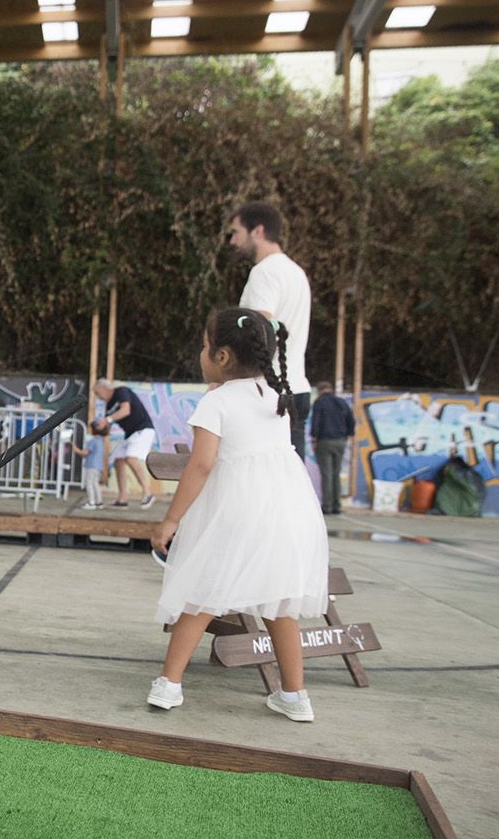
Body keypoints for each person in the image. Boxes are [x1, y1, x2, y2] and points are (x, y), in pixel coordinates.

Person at [148, 308, 328, 722]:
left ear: (223, 357)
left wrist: (172, 519)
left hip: (238, 511)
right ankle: (294, 696)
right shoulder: (274, 396)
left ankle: (168, 685)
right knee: (280, 606)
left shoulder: (218, 401)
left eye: (206, 345)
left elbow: (201, 465)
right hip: (287, 511)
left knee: (201, 594)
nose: (202, 351)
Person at [230, 201, 313, 460]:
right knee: (290, 481)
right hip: (296, 387)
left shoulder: (264, 273)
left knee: (258, 480)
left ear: (258, 231)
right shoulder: (296, 272)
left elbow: (260, 330)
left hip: (268, 392)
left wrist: (227, 380)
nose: (232, 241)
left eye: (235, 232)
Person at [92, 378, 156, 508]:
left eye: (97, 393)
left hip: (143, 429)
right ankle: (122, 499)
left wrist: (107, 419)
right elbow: (107, 429)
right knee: (118, 461)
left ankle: (148, 493)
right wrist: (99, 427)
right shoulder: (108, 407)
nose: (98, 397)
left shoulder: (121, 391)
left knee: (131, 459)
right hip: (130, 434)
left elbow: (125, 410)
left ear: (104, 387)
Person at [310, 380, 356, 515]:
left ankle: (327, 506)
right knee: (336, 473)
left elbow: (316, 422)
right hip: (341, 441)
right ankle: (337, 505)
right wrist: (348, 434)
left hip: (325, 441)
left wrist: (314, 438)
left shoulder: (319, 402)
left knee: (326, 474)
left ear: (319, 390)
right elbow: (351, 421)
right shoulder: (342, 402)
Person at [73, 419, 109, 510]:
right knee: (95, 484)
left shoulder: (93, 441)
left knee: (89, 483)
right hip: (98, 467)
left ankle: (91, 502)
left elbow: (85, 453)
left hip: (91, 466)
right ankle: (99, 502)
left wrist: (76, 450)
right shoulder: (101, 441)